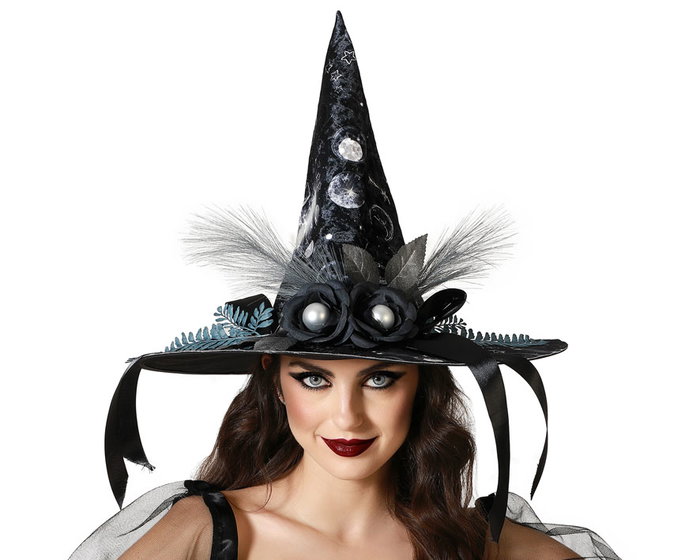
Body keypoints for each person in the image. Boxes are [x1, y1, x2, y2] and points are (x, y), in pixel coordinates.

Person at [69, 11, 620, 560]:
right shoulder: (203, 534)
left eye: (380, 379)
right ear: (274, 379)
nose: (347, 417)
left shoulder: (486, 548)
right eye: (314, 379)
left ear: (421, 386)